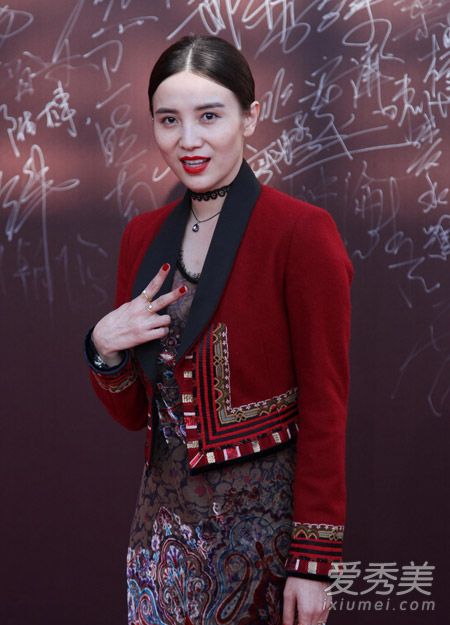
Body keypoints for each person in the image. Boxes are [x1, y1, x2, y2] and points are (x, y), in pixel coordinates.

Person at [85, 35, 353, 625]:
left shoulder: (301, 232)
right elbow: (136, 414)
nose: (188, 140)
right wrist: (103, 350)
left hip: (262, 541)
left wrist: (313, 564)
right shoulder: (142, 236)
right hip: (159, 538)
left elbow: (326, 407)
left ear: (250, 117)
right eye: (169, 120)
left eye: (209, 116)